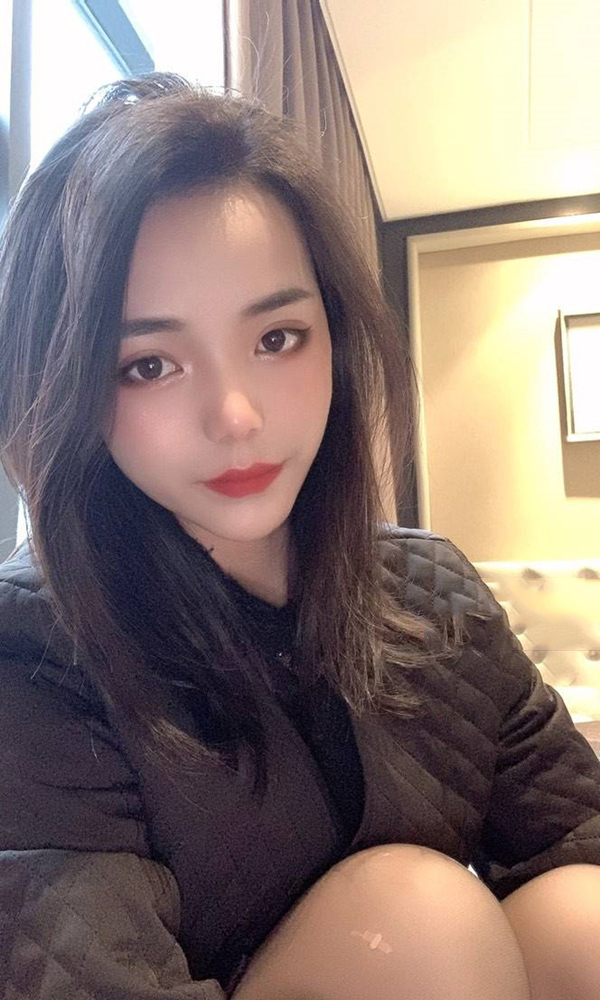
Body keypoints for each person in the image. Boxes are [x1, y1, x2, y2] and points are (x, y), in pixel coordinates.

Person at [0, 73, 598, 1000]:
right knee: (418, 922)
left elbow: (575, 835)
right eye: (149, 365)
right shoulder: (33, 654)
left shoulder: (428, 589)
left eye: (277, 337)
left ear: (338, 338)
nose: (236, 416)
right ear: (64, 387)